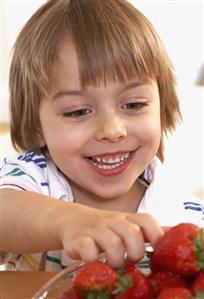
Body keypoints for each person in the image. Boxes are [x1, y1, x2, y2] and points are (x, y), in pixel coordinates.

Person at [0, 0, 203, 272]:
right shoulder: (31, 177)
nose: (112, 130)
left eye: (133, 105)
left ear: (162, 110)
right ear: (38, 126)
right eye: (78, 111)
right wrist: (71, 221)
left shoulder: (185, 215)